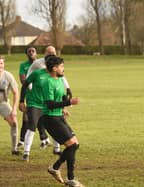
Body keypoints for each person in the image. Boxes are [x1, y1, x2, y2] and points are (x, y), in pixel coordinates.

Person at [38, 56, 83, 187]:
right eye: (61, 66)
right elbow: (50, 104)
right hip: (50, 119)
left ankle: (55, 168)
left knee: (75, 144)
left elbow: (59, 97)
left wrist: (63, 107)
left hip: (58, 117)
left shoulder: (59, 80)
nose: (63, 68)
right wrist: (69, 102)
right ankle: (71, 179)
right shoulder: (47, 82)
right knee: (72, 145)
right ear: (54, 68)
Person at [26, 46, 72, 155]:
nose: (52, 54)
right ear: (45, 53)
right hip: (37, 98)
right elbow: (29, 78)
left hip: (50, 94)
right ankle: (27, 149)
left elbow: (62, 77)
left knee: (54, 119)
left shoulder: (56, 63)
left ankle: (56, 148)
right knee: (36, 121)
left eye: (54, 52)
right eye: (49, 52)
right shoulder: (38, 64)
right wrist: (33, 91)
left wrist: (68, 89)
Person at [0, 56, 19, 155]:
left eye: (1, 63)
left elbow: (16, 93)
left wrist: (14, 109)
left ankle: (14, 149)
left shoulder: (8, 76)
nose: (0, 65)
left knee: (14, 123)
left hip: (3, 103)